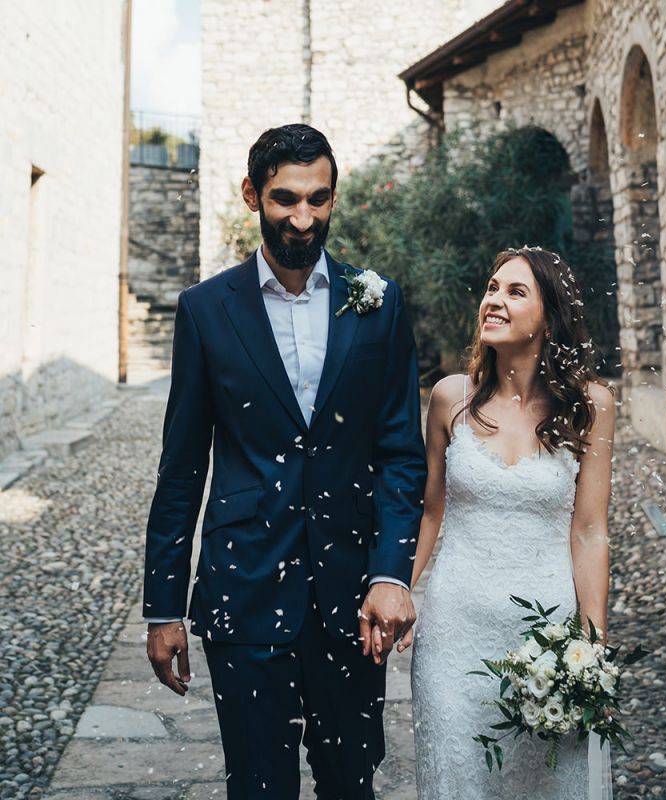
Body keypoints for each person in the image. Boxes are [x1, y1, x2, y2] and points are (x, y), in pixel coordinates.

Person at [141, 123, 426, 799]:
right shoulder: (206, 310)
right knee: (259, 786)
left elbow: (401, 456)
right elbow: (181, 466)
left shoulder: (378, 305)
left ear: (333, 198)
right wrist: (162, 608)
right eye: (285, 199)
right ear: (252, 195)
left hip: (351, 591)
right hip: (244, 587)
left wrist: (391, 572)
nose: (303, 218)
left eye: (318, 199)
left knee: (351, 783)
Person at [408, 247, 614, 799]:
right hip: (454, 635)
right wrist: (398, 590)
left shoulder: (590, 406)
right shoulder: (451, 398)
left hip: (548, 638)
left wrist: (592, 649)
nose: (494, 300)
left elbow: (590, 532)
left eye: (516, 292)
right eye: (492, 287)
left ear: (549, 318)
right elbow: (431, 509)